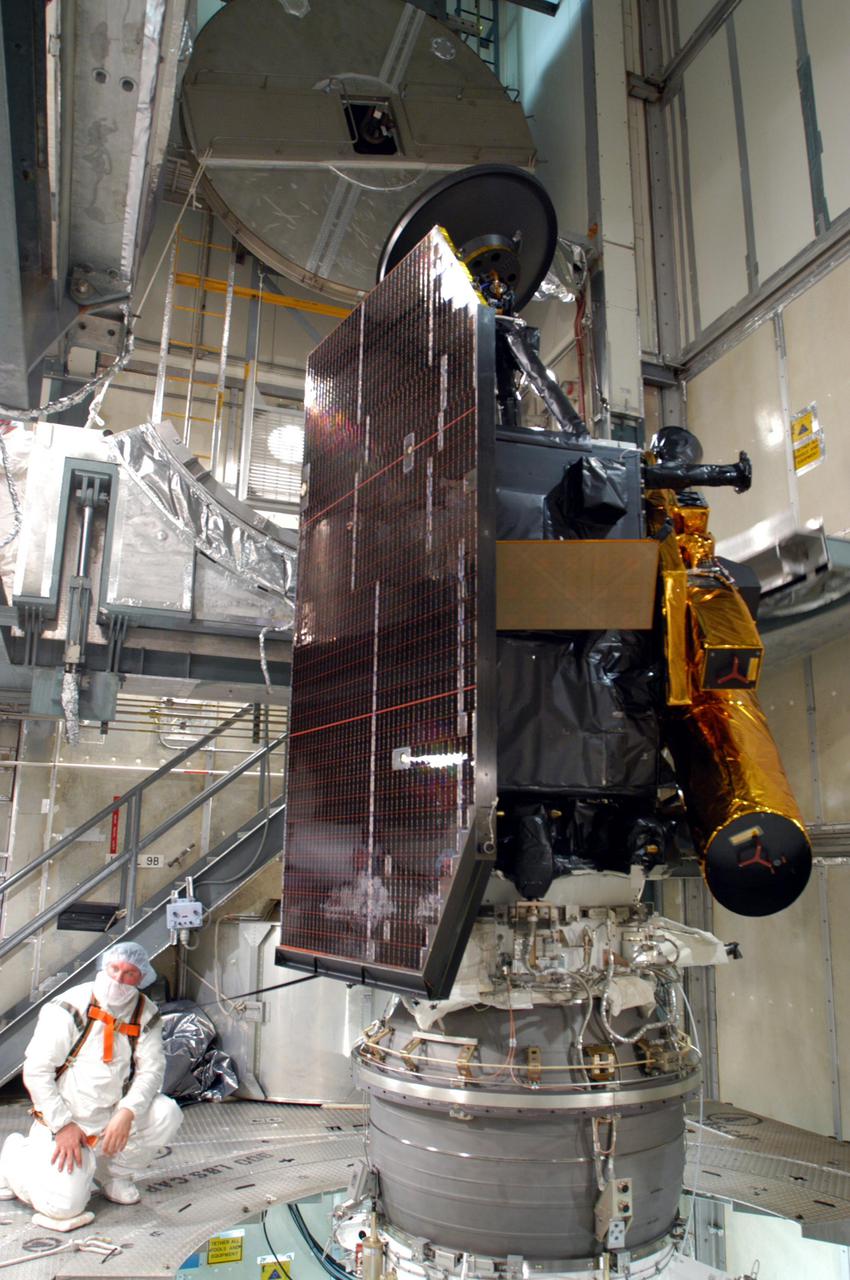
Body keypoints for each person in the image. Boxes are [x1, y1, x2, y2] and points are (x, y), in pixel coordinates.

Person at [0, 941, 183, 1231]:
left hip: (111, 1119)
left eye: (130, 974)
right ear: (104, 966)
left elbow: (151, 1071)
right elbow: (37, 1072)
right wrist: (62, 1126)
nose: (119, 979)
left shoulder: (145, 1013)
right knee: (62, 1210)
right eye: (115, 969)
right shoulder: (69, 1008)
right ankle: (14, 1159)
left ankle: (115, 1174)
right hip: (67, 1123)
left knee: (166, 1113)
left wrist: (127, 1112)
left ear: (142, 978)